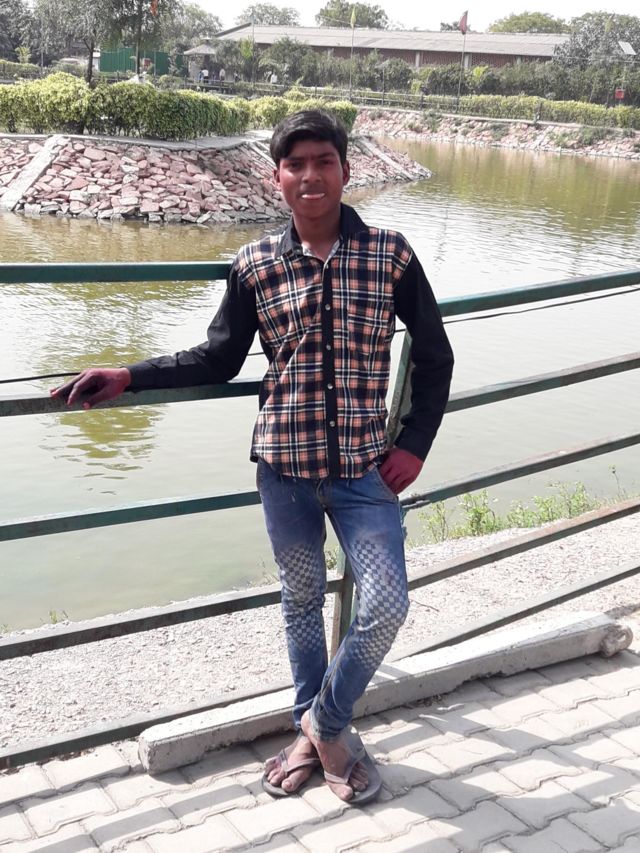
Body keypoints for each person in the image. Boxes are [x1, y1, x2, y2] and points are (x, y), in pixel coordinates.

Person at [51, 110, 454, 805]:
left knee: (386, 604)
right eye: (295, 164)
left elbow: (435, 355)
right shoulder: (255, 263)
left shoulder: (390, 253)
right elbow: (218, 357)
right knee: (301, 601)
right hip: (283, 469)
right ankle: (319, 736)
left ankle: (322, 726)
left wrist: (414, 444)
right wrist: (129, 376)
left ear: (346, 170)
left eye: (323, 161)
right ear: (277, 178)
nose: (310, 176)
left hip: (365, 470)